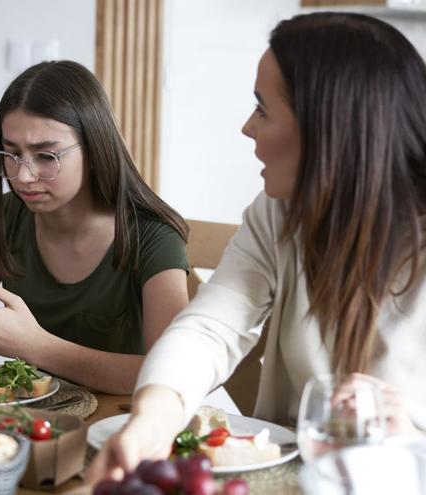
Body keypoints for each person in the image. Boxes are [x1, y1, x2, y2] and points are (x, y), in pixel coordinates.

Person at [88, 12, 426, 481]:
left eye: (263, 109)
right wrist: (152, 419)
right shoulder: (278, 213)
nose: (248, 128)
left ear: (328, 130)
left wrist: (412, 430)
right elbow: (209, 329)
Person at [0, 61, 190, 394]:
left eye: (46, 155)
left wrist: (32, 345)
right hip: (29, 422)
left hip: (118, 430)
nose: (24, 175)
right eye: (11, 154)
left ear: (96, 147)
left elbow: (173, 372)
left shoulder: (153, 237)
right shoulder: (7, 218)